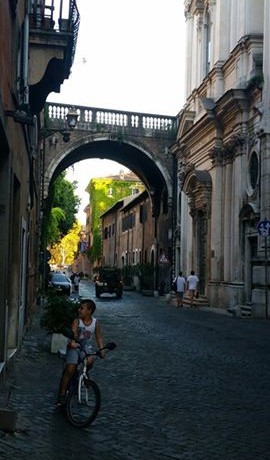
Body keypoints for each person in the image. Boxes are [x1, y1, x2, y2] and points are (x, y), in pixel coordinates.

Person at [56, 298, 105, 405]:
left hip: (86, 348)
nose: (79, 310)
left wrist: (102, 349)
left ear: (89, 311)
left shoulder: (95, 323)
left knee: (91, 360)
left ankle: (85, 372)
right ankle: (62, 394)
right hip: (75, 347)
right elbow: (73, 333)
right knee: (70, 369)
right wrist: (72, 342)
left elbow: (99, 337)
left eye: (82, 308)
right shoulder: (77, 321)